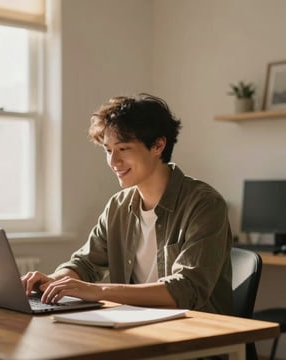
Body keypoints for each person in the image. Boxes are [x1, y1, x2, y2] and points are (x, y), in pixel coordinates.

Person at [22, 93, 233, 315]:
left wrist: (99, 291)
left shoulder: (205, 204)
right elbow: (85, 264)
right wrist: (52, 281)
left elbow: (187, 289)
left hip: (197, 333)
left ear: (158, 146)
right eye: (108, 150)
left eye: (123, 149)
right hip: (135, 326)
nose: (113, 162)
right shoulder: (118, 206)